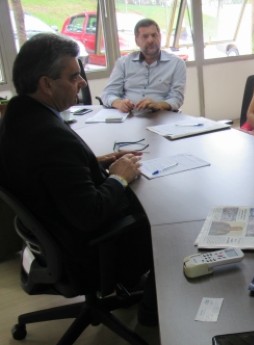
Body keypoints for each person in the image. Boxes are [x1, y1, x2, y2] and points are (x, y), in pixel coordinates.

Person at [0, 33, 157, 326]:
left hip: (53, 236)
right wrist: (118, 178)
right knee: (164, 220)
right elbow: (91, 214)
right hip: (84, 251)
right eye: (74, 76)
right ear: (46, 84)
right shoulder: (51, 137)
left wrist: (92, 162)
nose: (83, 82)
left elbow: (49, 172)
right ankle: (151, 311)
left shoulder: (18, 117)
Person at [101, 18, 186, 113]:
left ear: (160, 37)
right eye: (145, 36)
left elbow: (177, 98)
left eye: (154, 35)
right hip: (128, 117)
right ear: (137, 40)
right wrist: (119, 103)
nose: (150, 40)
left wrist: (158, 105)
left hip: (160, 117)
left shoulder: (177, 63)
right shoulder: (123, 63)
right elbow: (108, 94)